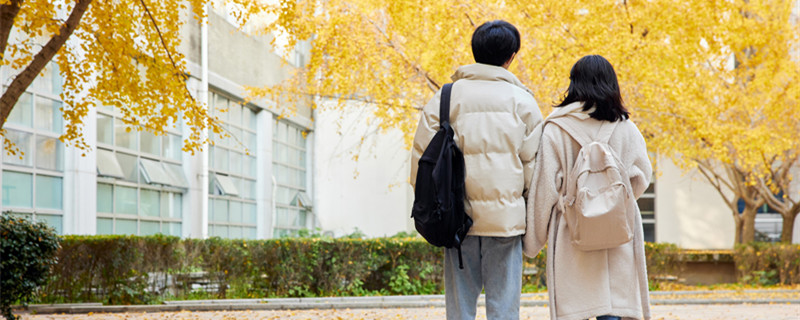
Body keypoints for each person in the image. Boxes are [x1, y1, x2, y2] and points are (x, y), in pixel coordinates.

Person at [410, 20, 543, 320]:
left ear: (475, 51)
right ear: (510, 57)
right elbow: (533, 168)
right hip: (505, 222)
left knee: (459, 311)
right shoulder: (524, 102)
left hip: (456, 219)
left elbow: (422, 160)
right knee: (504, 309)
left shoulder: (445, 97)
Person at [524, 55, 652, 320]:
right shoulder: (627, 128)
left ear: (574, 84)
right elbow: (642, 177)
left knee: (577, 307)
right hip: (619, 233)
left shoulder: (555, 129)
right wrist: (614, 202)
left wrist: (531, 243)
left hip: (572, 233)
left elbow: (545, 189)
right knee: (613, 307)